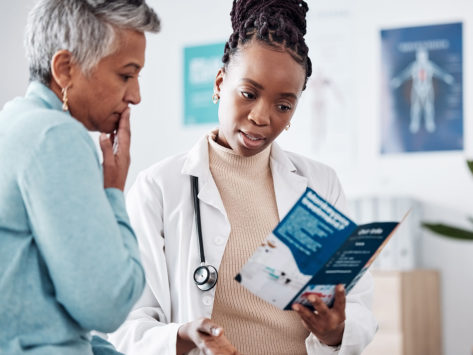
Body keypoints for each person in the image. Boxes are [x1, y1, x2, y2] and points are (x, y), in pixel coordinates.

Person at [109, 1, 377, 354]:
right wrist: (185, 337)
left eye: (284, 105)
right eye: (248, 94)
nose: (262, 117)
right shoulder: (158, 188)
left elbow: (358, 305)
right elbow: (127, 325)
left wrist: (335, 332)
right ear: (220, 83)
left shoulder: (320, 184)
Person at [0, 0, 160, 354]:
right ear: (65, 68)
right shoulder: (55, 136)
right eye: (126, 75)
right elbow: (108, 304)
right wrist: (114, 191)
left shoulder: (14, 121)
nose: (135, 96)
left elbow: (41, 318)